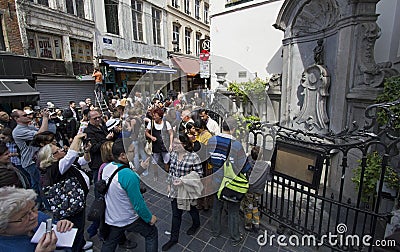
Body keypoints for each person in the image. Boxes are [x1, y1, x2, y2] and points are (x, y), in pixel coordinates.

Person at [37, 133, 93, 251]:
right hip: (70, 208)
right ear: (52, 157)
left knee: (79, 226)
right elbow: (71, 155)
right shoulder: (54, 169)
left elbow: (84, 160)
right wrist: (77, 138)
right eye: (59, 150)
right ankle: (77, 248)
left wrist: (86, 151)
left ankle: (81, 243)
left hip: (77, 203)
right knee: (75, 229)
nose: (63, 150)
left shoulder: (63, 163)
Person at [101, 139, 158, 252]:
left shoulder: (107, 168)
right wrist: (149, 218)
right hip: (127, 218)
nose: (135, 153)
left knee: (110, 243)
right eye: (132, 151)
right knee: (152, 233)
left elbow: (123, 184)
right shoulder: (128, 175)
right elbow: (138, 204)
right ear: (122, 155)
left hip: (112, 217)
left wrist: (141, 168)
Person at [208, 117, 251, 246]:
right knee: (233, 211)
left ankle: (215, 232)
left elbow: (209, 159)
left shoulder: (212, 140)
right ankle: (235, 237)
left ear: (222, 127)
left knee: (216, 207)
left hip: (216, 181)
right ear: (233, 129)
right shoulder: (236, 145)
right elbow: (244, 167)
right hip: (231, 183)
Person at [162, 133, 203, 251]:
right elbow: (171, 170)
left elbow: (199, 175)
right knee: (176, 214)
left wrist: (184, 181)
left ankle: (196, 224)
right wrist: (169, 184)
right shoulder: (173, 154)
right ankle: (173, 238)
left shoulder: (193, 157)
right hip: (175, 191)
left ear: (184, 144)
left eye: (176, 143)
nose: (173, 145)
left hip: (187, 191)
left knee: (191, 209)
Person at [0, 186, 74, 251]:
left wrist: (63, 225)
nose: (34, 216)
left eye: (33, 208)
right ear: (2, 229)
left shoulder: (40, 218)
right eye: (24, 216)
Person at [11, 109, 49, 206]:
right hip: (31, 162)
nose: (28, 116)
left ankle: (37, 205)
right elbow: (42, 135)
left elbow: (44, 131)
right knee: (43, 184)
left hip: (33, 161)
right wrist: (45, 118)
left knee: (35, 185)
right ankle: (48, 206)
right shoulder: (18, 131)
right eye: (24, 115)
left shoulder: (28, 127)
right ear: (16, 119)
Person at [243, 146, 271, 231]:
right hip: (259, 190)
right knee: (255, 205)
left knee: (248, 206)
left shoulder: (249, 163)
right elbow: (269, 178)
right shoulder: (266, 166)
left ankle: (248, 224)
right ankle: (256, 223)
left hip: (250, 189)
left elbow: (244, 169)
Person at [145, 108, 173, 180]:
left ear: (160, 117)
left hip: (165, 145)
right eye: (153, 116)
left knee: (166, 161)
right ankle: (155, 174)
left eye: (155, 116)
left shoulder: (166, 123)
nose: (154, 117)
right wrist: (151, 137)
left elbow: (171, 134)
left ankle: (167, 174)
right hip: (155, 146)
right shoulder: (151, 123)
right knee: (154, 162)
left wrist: (170, 144)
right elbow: (146, 132)